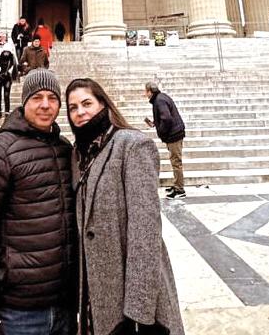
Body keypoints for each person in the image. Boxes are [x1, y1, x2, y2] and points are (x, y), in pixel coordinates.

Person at [0, 69, 77, 335]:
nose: (45, 105)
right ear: (23, 102)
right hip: (19, 313)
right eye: (37, 97)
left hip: (65, 307)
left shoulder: (65, 149)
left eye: (52, 98)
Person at [66, 78, 184, 335]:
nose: (80, 112)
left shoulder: (132, 145)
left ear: (103, 104)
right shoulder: (79, 154)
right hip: (96, 298)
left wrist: (137, 313)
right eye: (73, 107)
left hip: (134, 305)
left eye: (87, 103)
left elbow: (145, 232)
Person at [145, 81, 186, 200]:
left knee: (176, 162)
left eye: (146, 92)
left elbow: (167, 119)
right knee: (175, 161)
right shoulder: (161, 98)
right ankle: (177, 184)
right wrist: (155, 123)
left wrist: (162, 131)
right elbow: (164, 117)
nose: (145, 94)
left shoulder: (159, 100)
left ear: (150, 91)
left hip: (174, 135)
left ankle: (180, 189)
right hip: (174, 134)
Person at [0, 49, 18, 120]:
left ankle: (7, 112)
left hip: (7, 78)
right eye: (5, 52)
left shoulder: (12, 59)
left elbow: (15, 68)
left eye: (7, 52)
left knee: (6, 95)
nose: (6, 54)